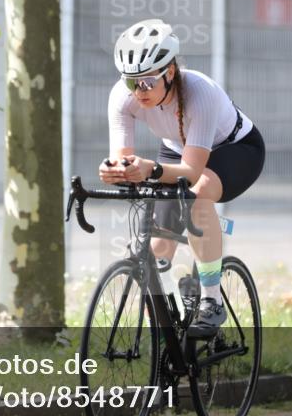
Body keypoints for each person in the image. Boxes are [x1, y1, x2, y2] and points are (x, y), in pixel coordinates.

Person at [99, 18, 266, 338]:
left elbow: (191, 172)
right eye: (132, 82)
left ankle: (211, 302)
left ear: (170, 72)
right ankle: (172, 317)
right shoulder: (123, 96)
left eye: (147, 82)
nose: (139, 91)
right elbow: (123, 157)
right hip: (177, 149)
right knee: (159, 245)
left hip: (234, 148)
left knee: (197, 199)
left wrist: (150, 169)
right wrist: (114, 170)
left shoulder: (198, 91)